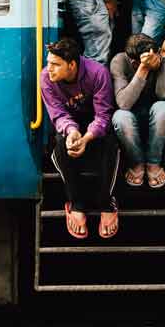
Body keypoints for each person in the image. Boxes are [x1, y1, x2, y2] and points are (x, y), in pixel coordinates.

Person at [41, 37, 120, 240]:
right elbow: (57, 114)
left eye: (56, 65)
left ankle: (106, 202)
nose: (49, 69)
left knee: (111, 142)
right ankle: (76, 203)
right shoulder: (46, 78)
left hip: (96, 129)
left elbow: (103, 116)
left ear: (72, 65)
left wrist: (86, 138)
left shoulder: (97, 73)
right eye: (49, 63)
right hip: (70, 129)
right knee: (59, 145)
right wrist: (72, 132)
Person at [110, 33, 165, 189]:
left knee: (163, 107)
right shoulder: (119, 61)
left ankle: (153, 163)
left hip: (156, 122)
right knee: (120, 117)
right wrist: (143, 69)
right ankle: (137, 163)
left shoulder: (159, 56)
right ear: (134, 63)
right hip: (131, 121)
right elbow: (124, 103)